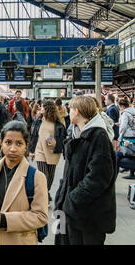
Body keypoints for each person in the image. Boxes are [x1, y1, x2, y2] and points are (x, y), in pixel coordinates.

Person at [0, 120, 48, 245]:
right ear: (1, 143)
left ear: (26, 145)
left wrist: (6, 220)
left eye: (19, 143)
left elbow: (41, 216)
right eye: (8, 142)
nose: (13, 149)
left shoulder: (36, 177)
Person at [54, 96, 117, 245]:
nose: (68, 112)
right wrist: (62, 198)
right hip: (72, 212)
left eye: (70, 109)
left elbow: (99, 177)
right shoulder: (78, 134)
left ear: (77, 111)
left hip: (87, 214)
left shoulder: (98, 136)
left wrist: (73, 199)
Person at [29, 99, 66, 205]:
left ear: (48, 109)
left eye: (43, 107)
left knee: (50, 176)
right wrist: (31, 151)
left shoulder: (58, 124)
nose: (40, 108)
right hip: (40, 151)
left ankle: (46, 193)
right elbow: (33, 137)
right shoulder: (37, 122)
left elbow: (63, 139)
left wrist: (54, 142)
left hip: (53, 152)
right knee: (43, 175)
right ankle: (43, 198)